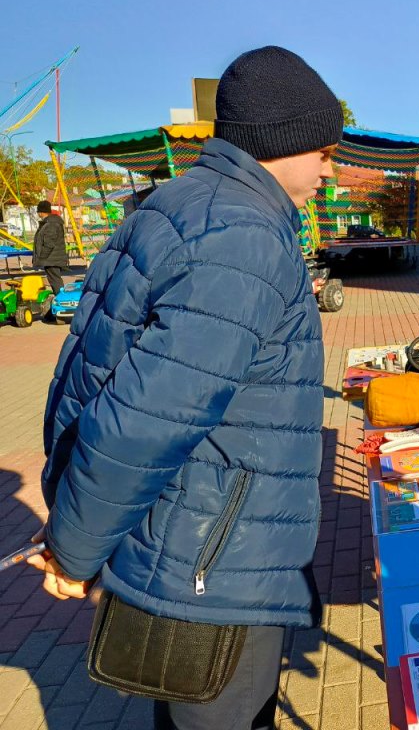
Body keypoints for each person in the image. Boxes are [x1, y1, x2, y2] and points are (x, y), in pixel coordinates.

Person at [27, 45, 341, 729]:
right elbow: (144, 419)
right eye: (321, 148)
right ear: (277, 141)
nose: (329, 166)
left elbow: (101, 374)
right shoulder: (241, 237)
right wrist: (75, 548)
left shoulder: (189, 205)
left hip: (189, 541)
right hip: (213, 569)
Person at [32, 199, 69, 293]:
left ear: (41, 212)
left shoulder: (50, 223)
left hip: (51, 259)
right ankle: (60, 298)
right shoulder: (50, 222)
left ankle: (61, 300)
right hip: (52, 258)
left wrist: (42, 258)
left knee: (55, 281)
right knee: (54, 280)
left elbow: (49, 244)